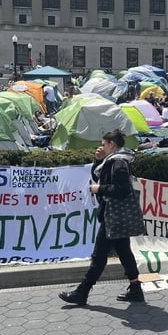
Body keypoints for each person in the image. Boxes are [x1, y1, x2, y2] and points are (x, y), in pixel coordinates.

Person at [60, 130, 145, 305]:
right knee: (123, 251)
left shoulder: (119, 162)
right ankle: (135, 288)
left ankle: (82, 291)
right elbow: (98, 175)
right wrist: (97, 160)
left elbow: (121, 190)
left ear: (112, 144)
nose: (102, 146)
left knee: (99, 255)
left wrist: (99, 189)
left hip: (113, 215)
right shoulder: (112, 160)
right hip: (115, 215)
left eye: (104, 144)